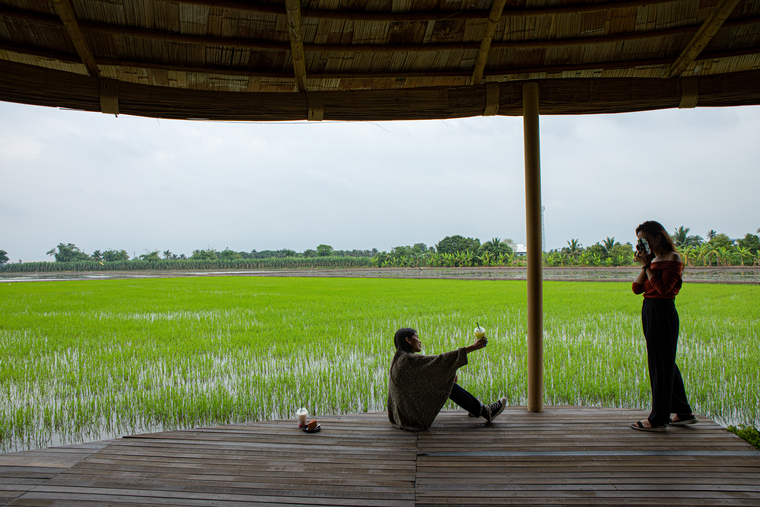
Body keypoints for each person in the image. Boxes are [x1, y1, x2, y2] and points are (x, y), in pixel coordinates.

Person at [630, 220, 698, 432]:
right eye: (640, 241)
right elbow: (636, 288)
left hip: (663, 311)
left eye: (645, 240)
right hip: (650, 309)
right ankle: (684, 412)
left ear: (658, 237)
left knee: (660, 365)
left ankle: (658, 419)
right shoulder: (655, 260)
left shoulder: (673, 259)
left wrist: (646, 266)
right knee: (665, 362)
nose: (642, 244)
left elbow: (663, 289)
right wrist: (647, 263)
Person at [387, 327, 507, 431]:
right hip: (411, 419)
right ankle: (486, 412)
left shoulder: (399, 359)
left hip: (401, 416)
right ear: (408, 340)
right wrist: (472, 347)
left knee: (446, 381)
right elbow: (439, 361)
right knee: (449, 386)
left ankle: (475, 408)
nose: (420, 340)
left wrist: (446, 376)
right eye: (416, 337)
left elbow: (425, 374)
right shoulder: (408, 360)